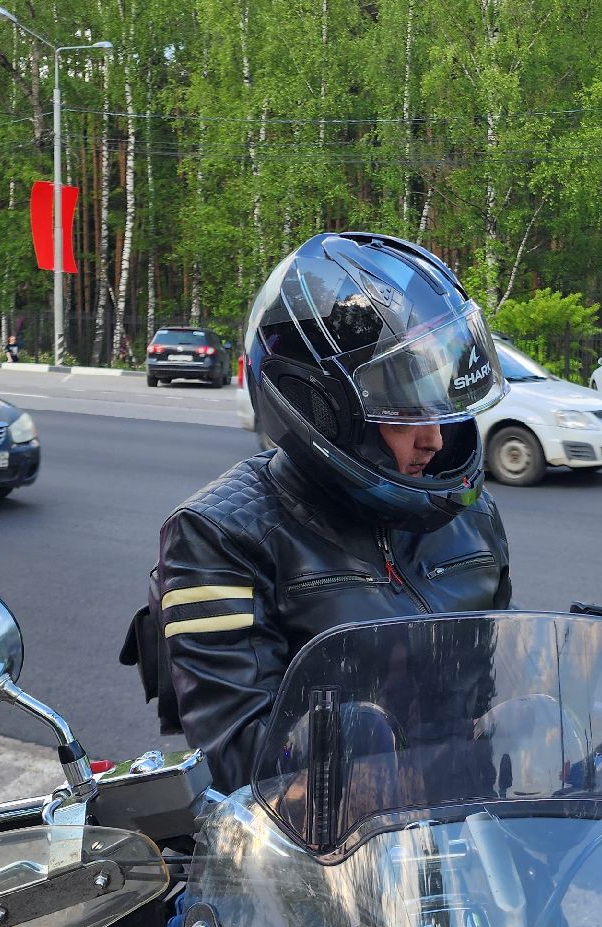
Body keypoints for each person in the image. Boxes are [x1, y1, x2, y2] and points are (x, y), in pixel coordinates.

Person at [146, 230, 514, 795]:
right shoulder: (219, 536)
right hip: (325, 858)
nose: (435, 441)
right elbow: (241, 759)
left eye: (442, 408)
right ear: (321, 408)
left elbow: (496, 699)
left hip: (467, 843)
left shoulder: (472, 518)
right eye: (406, 412)